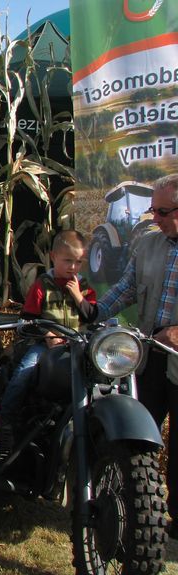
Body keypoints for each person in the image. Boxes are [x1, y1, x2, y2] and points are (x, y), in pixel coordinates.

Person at [96, 173, 178, 534]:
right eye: (153, 210)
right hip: (150, 356)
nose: (154, 218)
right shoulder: (148, 245)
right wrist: (92, 313)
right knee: (135, 434)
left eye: (162, 212)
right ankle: (123, 506)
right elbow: (126, 288)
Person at [0, 230, 97, 459]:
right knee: (25, 370)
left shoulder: (84, 286)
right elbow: (27, 319)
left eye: (78, 262)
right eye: (67, 261)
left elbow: (91, 315)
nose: (73, 267)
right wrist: (48, 334)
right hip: (45, 345)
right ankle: (6, 419)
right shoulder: (42, 285)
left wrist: (78, 296)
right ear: (53, 256)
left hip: (77, 345)